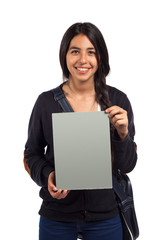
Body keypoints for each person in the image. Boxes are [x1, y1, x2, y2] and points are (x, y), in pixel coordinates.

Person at [24, 22, 137, 240]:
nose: (83, 60)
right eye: (75, 51)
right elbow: (31, 154)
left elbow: (127, 166)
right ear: (65, 56)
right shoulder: (46, 102)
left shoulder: (118, 101)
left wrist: (123, 134)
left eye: (91, 52)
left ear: (100, 58)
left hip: (105, 219)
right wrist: (48, 175)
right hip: (56, 218)